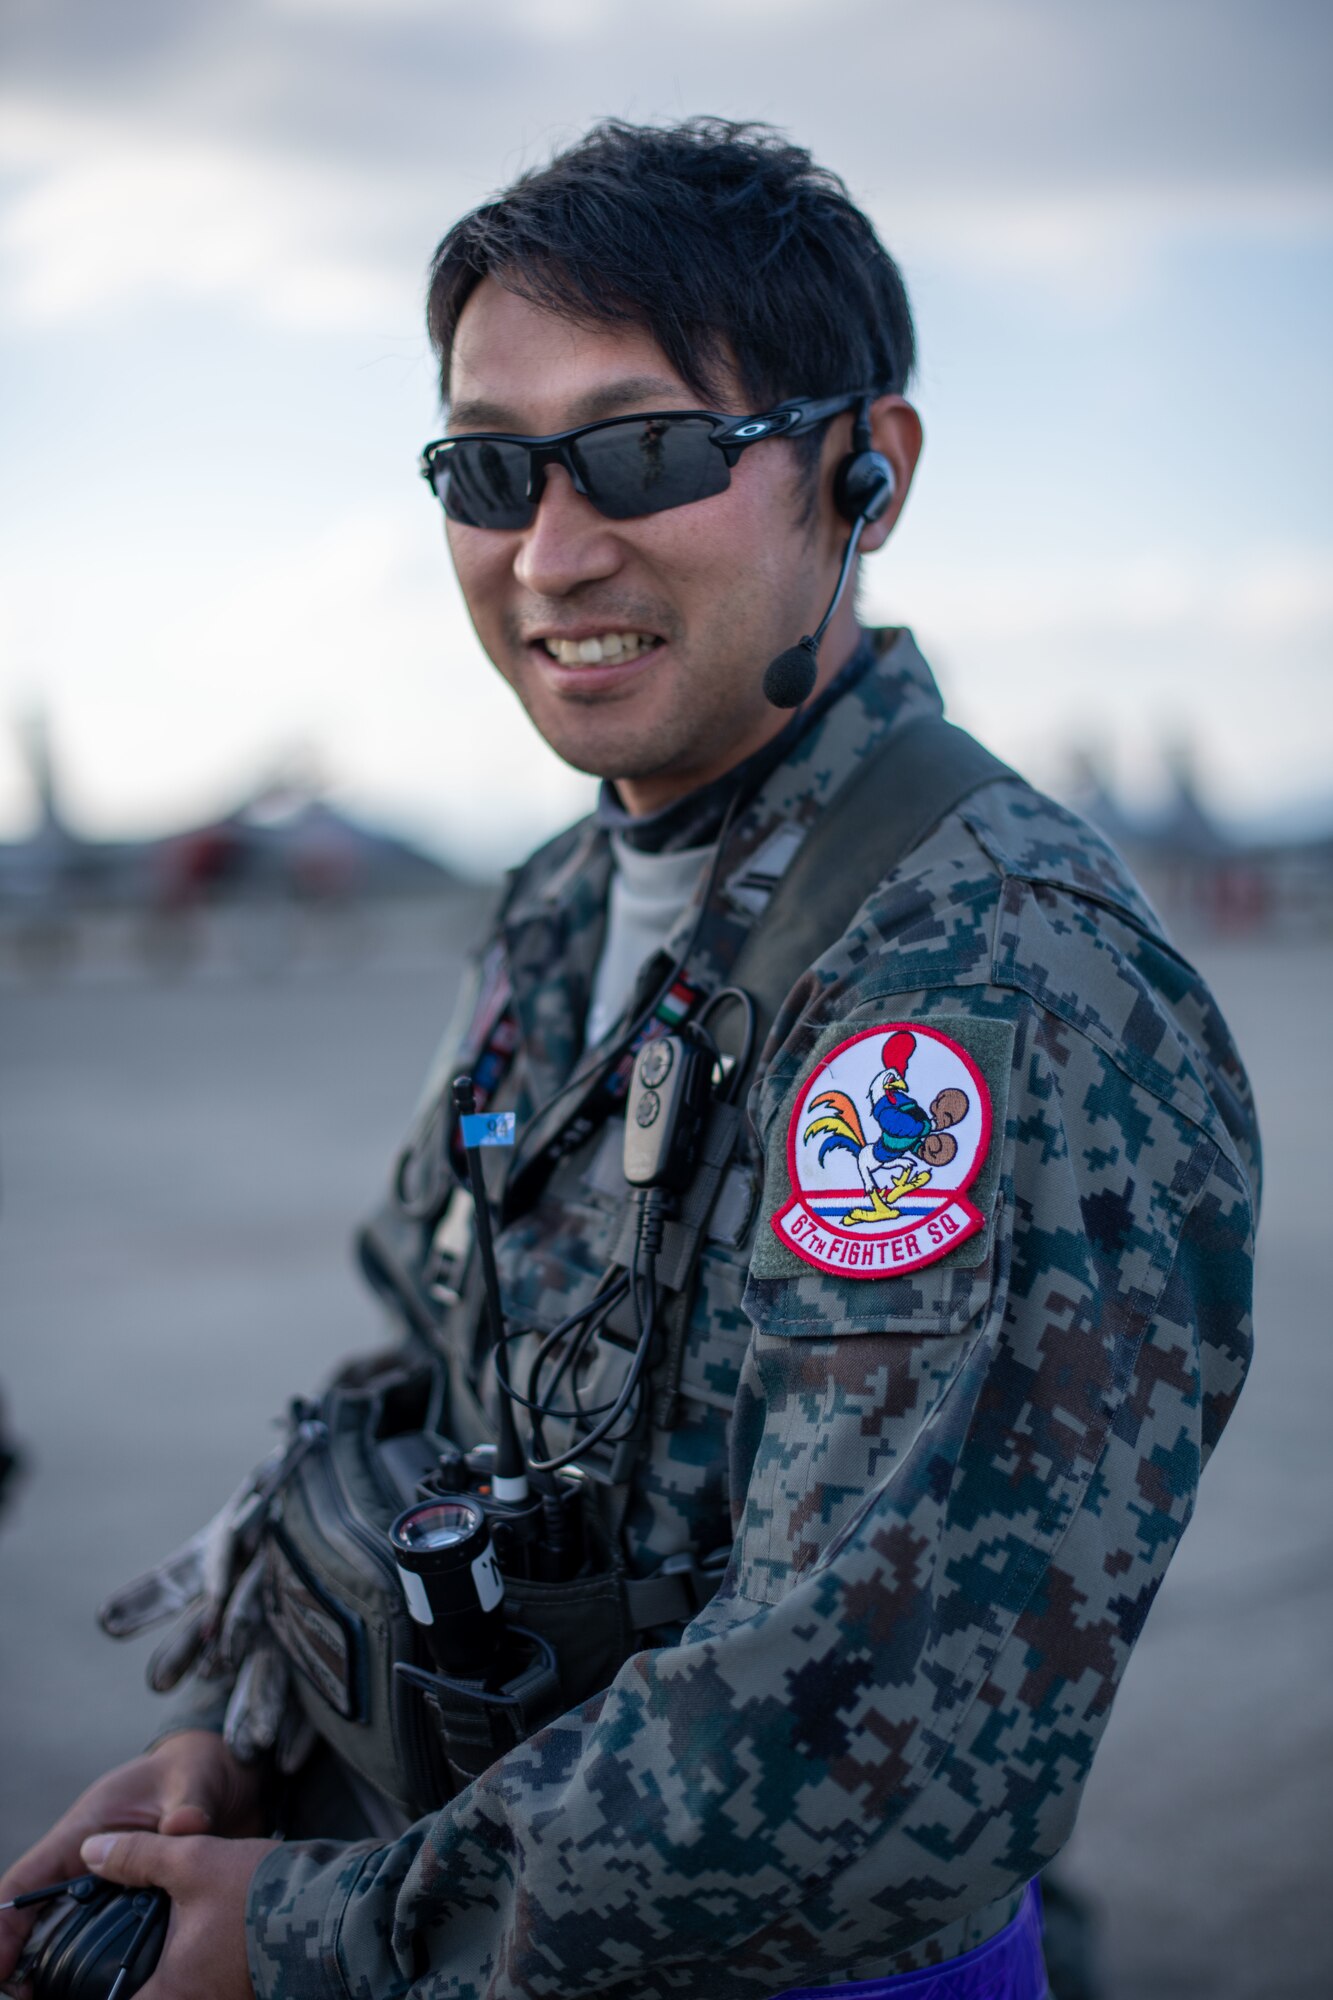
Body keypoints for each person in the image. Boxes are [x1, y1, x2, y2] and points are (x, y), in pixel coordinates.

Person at [0, 119, 1258, 2000]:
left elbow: (866, 1761)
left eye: (650, 450)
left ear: (865, 473)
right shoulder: (561, 908)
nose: (551, 551)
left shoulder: (989, 981)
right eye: (488, 470)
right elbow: (439, 1369)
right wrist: (266, 1760)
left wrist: (305, 1934)